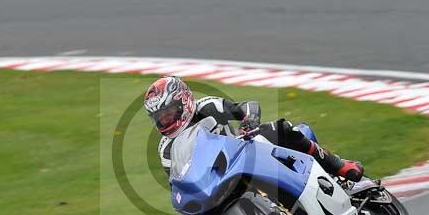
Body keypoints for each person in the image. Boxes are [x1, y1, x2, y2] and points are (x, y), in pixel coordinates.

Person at [144, 75, 365, 184]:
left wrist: (249, 122)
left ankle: (339, 165)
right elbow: (178, 181)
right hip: (218, 181)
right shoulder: (166, 149)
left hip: (246, 150)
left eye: (168, 112)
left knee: (280, 128)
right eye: (159, 118)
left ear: (183, 101)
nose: (165, 120)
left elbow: (246, 107)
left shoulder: (207, 106)